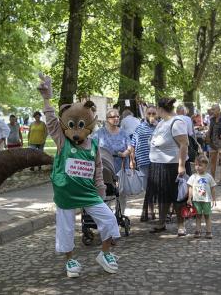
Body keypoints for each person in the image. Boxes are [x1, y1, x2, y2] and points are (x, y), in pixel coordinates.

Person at [38, 75, 120, 278]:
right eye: (72, 125)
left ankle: (105, 253)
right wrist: (47, 98)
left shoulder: (93, 145)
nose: (76, 131)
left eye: (81, 125)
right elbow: (50, 122)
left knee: (109, 219)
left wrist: (100, 188)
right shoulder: (62, 142)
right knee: (66, 228)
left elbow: (98, 168)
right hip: (66, 193)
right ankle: (70, 259)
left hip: (87, 192)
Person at [147, 97, 190, 236]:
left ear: (160, 109)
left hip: (173, 166)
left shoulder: (177, 122)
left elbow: (184, 144)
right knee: (162, 197)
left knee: (178, 197)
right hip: (159, 166)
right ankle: (161, 223)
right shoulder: (161, 123)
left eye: (156, 110)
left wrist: (181, 165)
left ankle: (181, 225)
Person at [92, 109, 132, 215]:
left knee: (122, 192)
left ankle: (121, 213)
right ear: (107, 119)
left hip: (121, 164)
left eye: (118, 117)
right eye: (113, 117)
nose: (116, 119)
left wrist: (125, 153)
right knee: (107, 191)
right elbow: (92, 147)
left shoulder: (123, 132)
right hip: (105, 166)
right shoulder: (99, 133)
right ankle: (107, 215)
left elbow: (130, 147)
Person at [130, 106, 158, 221]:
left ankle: (155, 211)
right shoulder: (139, 127)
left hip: (157, 161)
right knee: (147, 187)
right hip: (143, 161)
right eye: (149, 113)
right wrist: (132, 160)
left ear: (157, 114)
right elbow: (133, 144)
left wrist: (157, 126)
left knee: (157, 186)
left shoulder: (160, 126)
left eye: (153, 113)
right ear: (145, 114)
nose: (151, 115)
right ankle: (149, 211)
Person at [187, 155, 216, 239]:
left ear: (206, 166)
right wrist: (189, 198)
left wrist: (214, 199)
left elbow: (213, 188)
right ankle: (198, 230)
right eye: (196, 165)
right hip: (196, 200)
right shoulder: (193, 177)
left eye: (200, 165)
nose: (197, 167)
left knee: (207, 216)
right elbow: (190, 187)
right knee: (198, 216)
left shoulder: (209, 177)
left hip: (206, 200)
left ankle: (208, 231)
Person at [206, 104, 221, 186]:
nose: (212, 111)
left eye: (214, 109)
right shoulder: (212, 119)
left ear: (218, 110)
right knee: (212, 162)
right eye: (212, 109)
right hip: (213, 143)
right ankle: (212, 179)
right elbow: (210, 129)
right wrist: (207, 136)